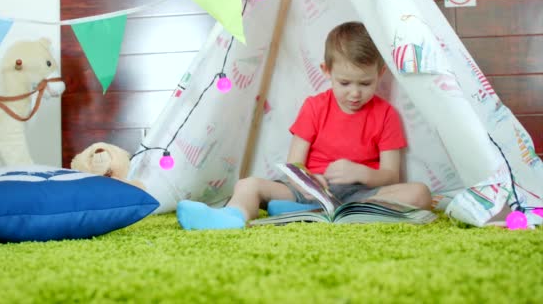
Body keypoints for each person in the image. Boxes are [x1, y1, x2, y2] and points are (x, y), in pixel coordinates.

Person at [176, 21, 432, 230]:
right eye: (345, 83)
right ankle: (232, 218)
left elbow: (391, 175)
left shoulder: (386, 114)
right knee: (248, 185)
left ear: (381, 73)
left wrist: (361, 173)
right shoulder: (314, 107)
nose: (355, 93)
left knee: (419, 193)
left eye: (365, 84)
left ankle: (325, 215)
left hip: (361, 195)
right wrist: (308, 182)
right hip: (311, 191)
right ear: (326, 71)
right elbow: (293, 165)